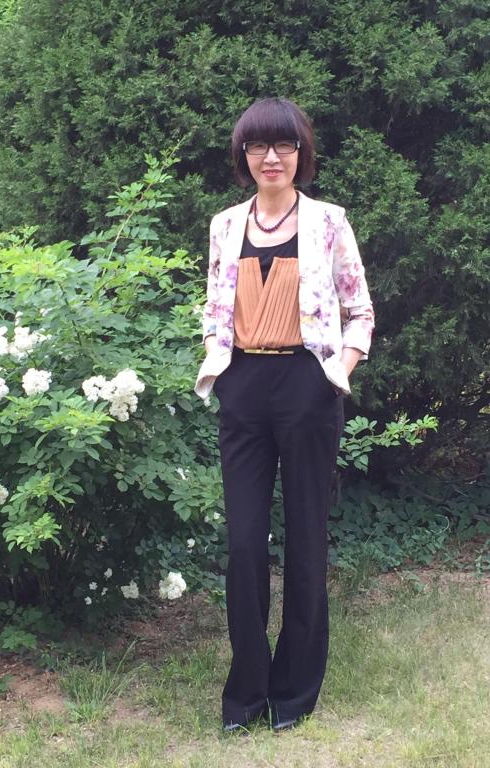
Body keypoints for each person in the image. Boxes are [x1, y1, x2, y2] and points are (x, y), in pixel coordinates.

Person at [194, 97, 375, 733]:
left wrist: (338, 371)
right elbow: (214, 307)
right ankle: (246, 694)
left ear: (301, 152)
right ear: (243, 154)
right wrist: (216, 360)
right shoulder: (224, 225)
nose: (271, 157)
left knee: (305, 540)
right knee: (245, 544)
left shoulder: (328, 222)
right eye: (258, 146)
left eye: (284, 145)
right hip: (242, 388)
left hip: (307, 387)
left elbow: (360, 310)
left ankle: (294, 693)